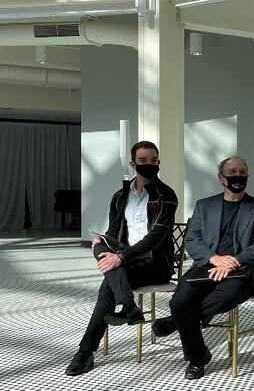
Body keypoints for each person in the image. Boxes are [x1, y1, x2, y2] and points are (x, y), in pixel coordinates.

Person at [150, 156, 254, 380]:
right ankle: (200, 353)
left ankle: (181, 333)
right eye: (232, 172)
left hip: (242, 271)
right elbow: (192, 241)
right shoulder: (204, 206)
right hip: (207, 266)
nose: (238, 176)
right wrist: (216, 259)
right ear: (221, 178)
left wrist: (232, 261)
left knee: (226, 296)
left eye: (242, 172)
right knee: (179, 301)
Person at [66, 141, 178, 376]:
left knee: (108, 286)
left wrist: (121, 257)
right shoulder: (120, 196)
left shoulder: (166, 195)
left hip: (155, 264)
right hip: (127, 259)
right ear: (133, 163)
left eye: (154, 160)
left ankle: (86, 351)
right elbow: (114, 228)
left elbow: (156, 237)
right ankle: (128, 306)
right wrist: (104, 240)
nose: (150, 164)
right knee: (99, 246)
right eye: (144, 160)